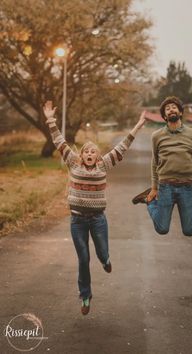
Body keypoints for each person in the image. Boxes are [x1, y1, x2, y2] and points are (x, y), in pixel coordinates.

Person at [43, 101, 146, 315]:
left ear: (98, 156)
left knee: (101, 252)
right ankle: (85, 296)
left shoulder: (103, 165)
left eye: (93, 152)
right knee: (83, 258)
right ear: (82, 155)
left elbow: (123, 146)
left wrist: (137, 126)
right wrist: (51, 120)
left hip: (98, 219)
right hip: (77, 220)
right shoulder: (73, 163)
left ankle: (106, 260)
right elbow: (59, 141)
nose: (89, 154)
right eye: (86, 151)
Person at [132, 96, 192, 237]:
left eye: (174, 107)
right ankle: (148, 200)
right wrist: (154, 188)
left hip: (186, 187)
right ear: (164, 116)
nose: (171, 109)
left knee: (189, 230)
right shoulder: (156, 136)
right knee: (162, 228)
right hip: (165, 186)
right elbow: (155, 163)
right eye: (167, 109)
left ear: (180, 112)